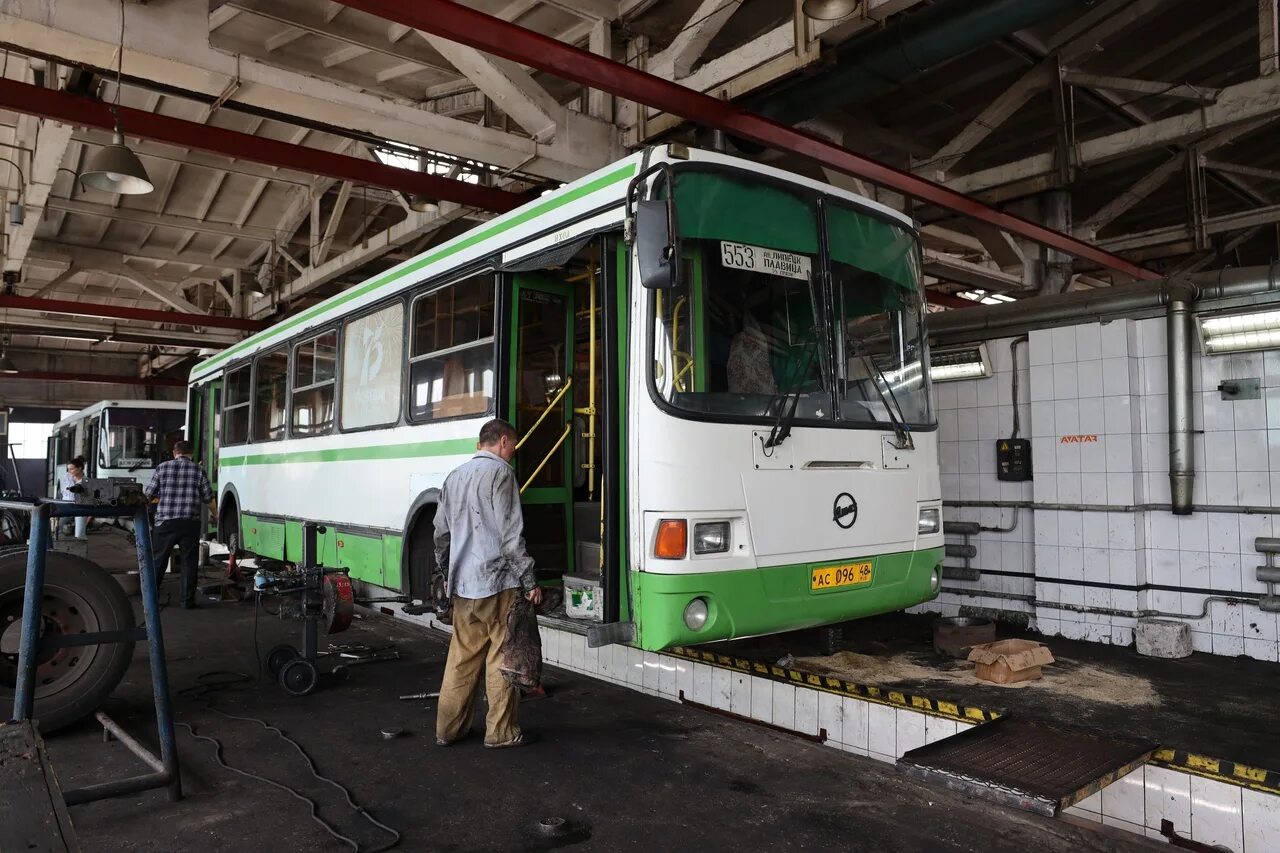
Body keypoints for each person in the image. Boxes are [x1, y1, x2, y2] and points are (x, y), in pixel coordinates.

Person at [433, 418, 542, 749]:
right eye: (514, 447)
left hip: (464, 585)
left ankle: (447, 731)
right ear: (504, 441)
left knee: (461, 659)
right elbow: (510, 537)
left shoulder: (455, 476)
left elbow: (441, 533)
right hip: (498, 584)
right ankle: (501, 732)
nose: (513, 454)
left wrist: (445, 573)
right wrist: (529, 580)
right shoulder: (501, 474)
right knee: (502, 657)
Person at [143, 440, 214, 609]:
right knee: (189, 562)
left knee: (158, 560)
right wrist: (216, 515)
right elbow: (208, 497)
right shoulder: (198, 470)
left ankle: (150, 599)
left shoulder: (162, 467)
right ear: (192, 454)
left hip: (165, 522)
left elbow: (148, 494)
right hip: (190, 523)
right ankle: (187, 601)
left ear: (175, 453)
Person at [60, 457, 89, 539]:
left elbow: (88, 500)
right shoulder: (67, 477)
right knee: (58, 527)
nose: (69, 471)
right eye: (68, 469)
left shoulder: (86, 482)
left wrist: (88, 516)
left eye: (71, 469)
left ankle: (81, 548)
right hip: (66, 505)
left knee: (80, 534)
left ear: (79, 468)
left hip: (80, 508)